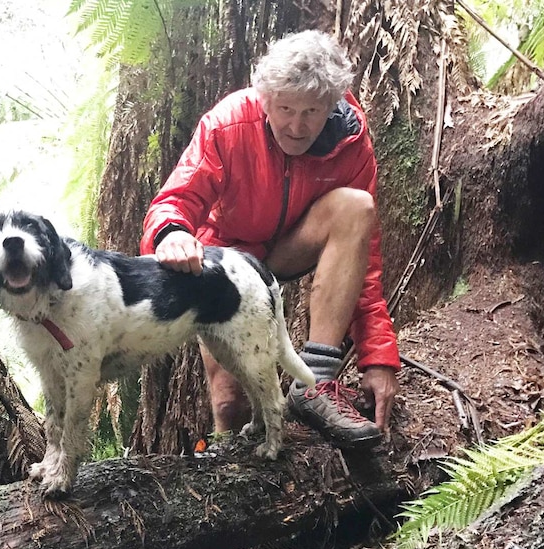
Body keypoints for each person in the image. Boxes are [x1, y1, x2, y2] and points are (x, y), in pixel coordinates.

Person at [139, 29, 400, 447]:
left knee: (356, 207)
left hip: (291, 246)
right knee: (230, 404)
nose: (296, 126)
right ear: (265, 100)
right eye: (285, 109)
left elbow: (364, 259)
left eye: (312, 112)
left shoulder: (351, 142)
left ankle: (315, 384)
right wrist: (172, 234)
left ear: (332, 105)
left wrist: (379, 356)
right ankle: (228, 471)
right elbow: (175, 199)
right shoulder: (228, 123)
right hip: (227, 260)